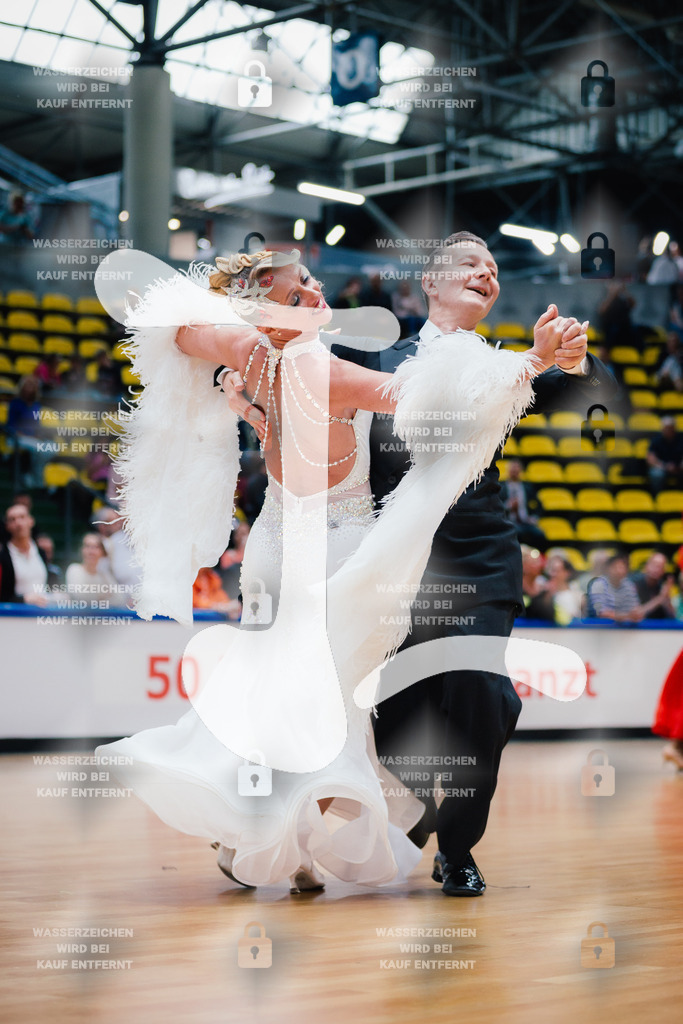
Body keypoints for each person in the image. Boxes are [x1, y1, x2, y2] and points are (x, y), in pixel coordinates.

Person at [95, 241, 583, 896]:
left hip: (276, 548)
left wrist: (232, 381)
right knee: (326, 710)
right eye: (297, 295)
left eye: (310, 281)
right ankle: (277, 835)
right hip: (338, 553)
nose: (317, 293)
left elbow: (177, 329)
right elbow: (433, 404)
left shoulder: (247, 352)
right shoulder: (330, 371)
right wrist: (531, 361)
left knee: (280, 694)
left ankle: (269, 834)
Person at [222, 232, 615, 896]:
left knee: (484, 696)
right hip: (385, 560)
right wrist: (234, 384)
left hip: (474, 559)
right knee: (394, 720)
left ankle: (456, 847)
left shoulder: (508, 362)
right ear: (429, 282)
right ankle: (392, 823)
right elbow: (289, 380)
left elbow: (591, 395)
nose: (485, 273)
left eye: (493, 268)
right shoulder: (371, 357)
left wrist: (575, 361)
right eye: (469, 263)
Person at [0, 504, 48, 604]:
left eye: (22, 517)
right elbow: (3, 596)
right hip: (16, 612)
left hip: (42, 611)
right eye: (12, 519)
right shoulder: (3, 557)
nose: (18, 523)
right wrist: (23, 599)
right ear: (7, 526)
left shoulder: (41, 552)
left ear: (31, 521)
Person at [500, 459, 546, 550]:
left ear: (520, 471)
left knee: (540, 535)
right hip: (509, 521)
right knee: (517, 533)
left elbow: (539, 505)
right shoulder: (501, 486)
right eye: (512, 470)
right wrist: (508, 506)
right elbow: (495, 506)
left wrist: (534, 517)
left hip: (526, 521)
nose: (514, 472)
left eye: (516, 470)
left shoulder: (527, 487)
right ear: (508, 471)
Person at [65, 532, 122, 607]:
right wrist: (104, 596)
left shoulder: (105, 576)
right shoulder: (74, 570)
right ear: (82, 550)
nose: (91, 551)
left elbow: (120, 599)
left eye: (96, 547)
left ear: (102, 552)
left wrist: (97, 599)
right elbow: (81, 598)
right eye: (87, 546)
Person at [629, 552, 675, 620]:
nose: (656, 569)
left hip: (657, 625)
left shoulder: (662, 586)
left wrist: (667, 598)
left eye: (660, 567)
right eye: (654, 565)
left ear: (663, 571)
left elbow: (672, 616)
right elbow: (636, 614)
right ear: (646, 566)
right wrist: (660, 598)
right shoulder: (633, 583)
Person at [647, 416, 683, 493]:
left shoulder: (681, 439)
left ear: (674, 428)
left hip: (679, 468)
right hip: (661, 467)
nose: (669, 430)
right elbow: (651, 459)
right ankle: (658, 495)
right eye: (666, 428)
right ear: (662, 429)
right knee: (657, 474)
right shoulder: (656, 440)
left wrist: (679, 466)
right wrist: (665, 466)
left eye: (671, 428)